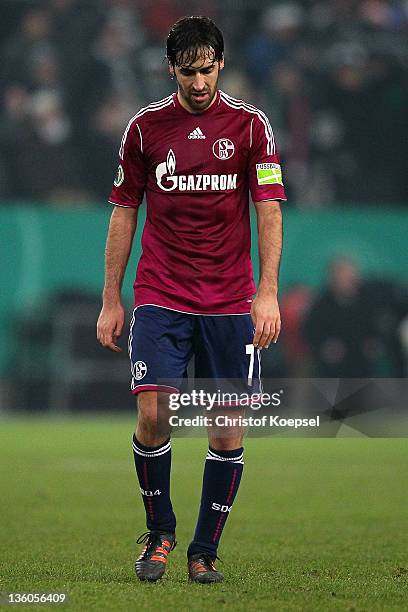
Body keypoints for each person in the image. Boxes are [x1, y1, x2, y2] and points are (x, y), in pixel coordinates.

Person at [97, 16, 286, 584]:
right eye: (188, 72)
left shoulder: (251, 127)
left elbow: (269, 209)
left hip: (230, 299)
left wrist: (268, 292)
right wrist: (112, 297)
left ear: (220, 64)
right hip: (162, 292)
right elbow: (124, 209)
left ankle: (203, 551)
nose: (199, 82)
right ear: (170, 69)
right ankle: (160, 534)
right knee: (153, 412)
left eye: (207, 70)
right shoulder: (145, 128)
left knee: (226, 428)